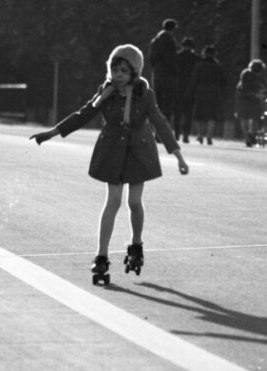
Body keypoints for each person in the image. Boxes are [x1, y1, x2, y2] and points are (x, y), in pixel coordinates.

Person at [29, 44, 189, 279]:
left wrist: (178, 156)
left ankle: (136, 246)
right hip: (112, 149)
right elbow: (83, 114)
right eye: (115, 70)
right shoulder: (106, 92)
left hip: (138, 150)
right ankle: (101, 256)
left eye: (124, 71)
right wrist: (52, 133)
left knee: (134, 202)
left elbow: (160, 123)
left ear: (135, 72)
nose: (119, 75)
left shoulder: (145, 94)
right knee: (113, 201)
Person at [186, 45, 226, 145]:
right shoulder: (218, 66)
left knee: (200, 115)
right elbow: (223, 81)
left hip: (201, 91)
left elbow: (194, 80)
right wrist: (221, 93)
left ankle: (200, 135)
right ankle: (209, 136)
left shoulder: (199, 65)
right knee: (211, 115)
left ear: (204, 53)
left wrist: (189, 92)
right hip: (214, 92)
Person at [148, 19, 179, 131]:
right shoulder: (169, 40)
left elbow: (151, 58)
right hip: (168, 74)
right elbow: (170, 59)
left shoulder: (155, 40)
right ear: (173, 28)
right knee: (167, 103)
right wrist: (175, 72)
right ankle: (163, 130)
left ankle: (155, 129)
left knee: (158, 103)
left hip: (156, 73)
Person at [235, 59, 267, 147]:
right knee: (247, 117)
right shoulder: (246, 74)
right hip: (245, 98)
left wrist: (261, 92)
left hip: (251, 98)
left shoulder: (259, 76)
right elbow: (244, 89)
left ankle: (251, 135)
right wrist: (256, 94)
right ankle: (248, 137)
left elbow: (264, 86)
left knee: (254, 117)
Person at [174, 37, 199, 143]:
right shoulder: (196, 58)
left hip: (178, 87)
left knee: (177, 113)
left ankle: (176, 134)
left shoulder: (177, 57)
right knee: (188, 113)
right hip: (191, 88)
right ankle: (186, 134)